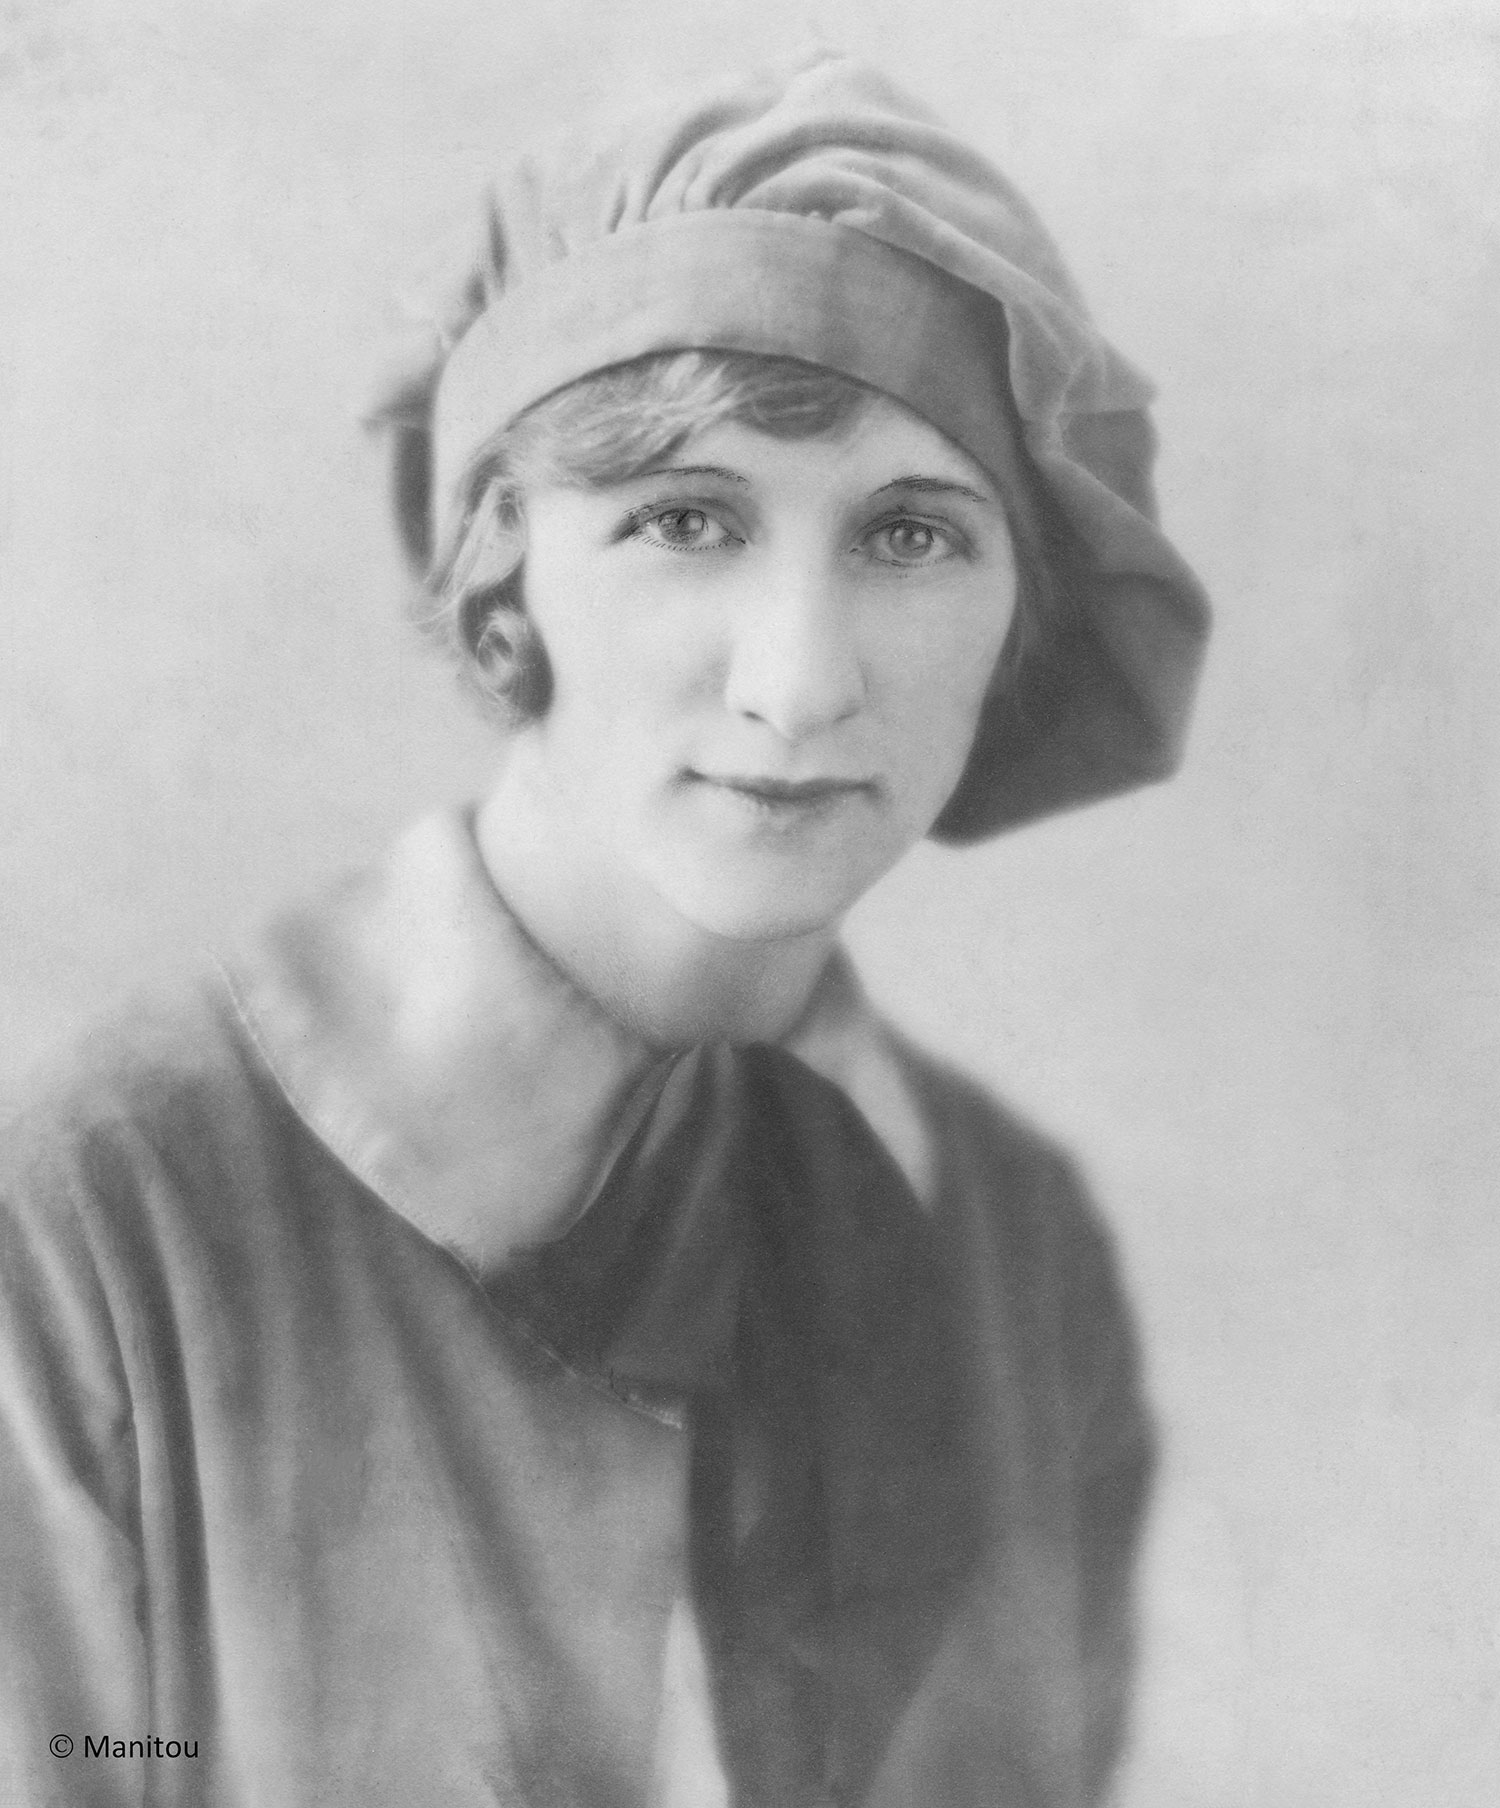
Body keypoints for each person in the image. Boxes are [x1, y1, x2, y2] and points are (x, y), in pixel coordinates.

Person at [0, 51, 1209, 1808]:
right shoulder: (106, 1221)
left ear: (1023, 623)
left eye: (913, 534)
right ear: (505, 578)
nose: (797, 686)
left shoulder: (1018, 1255)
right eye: (684, 520)